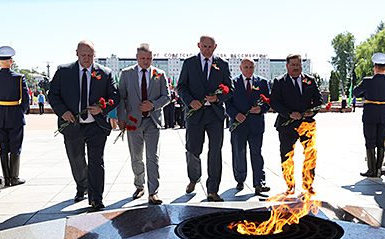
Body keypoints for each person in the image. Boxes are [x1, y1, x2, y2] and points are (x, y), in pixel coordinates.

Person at [48, 40, 120, 211]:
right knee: (76, 159)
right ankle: (82, 186)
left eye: (90, 55)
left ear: (95, 55)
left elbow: (114, 96)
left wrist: (102, 107)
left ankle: (96, 199)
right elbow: (53, 95)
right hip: (72, 125)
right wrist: (63, 111)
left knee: (96, 161)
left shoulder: (105, 73)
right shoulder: (64, 71)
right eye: (83, 55)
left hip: (96, 126)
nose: (87, 59)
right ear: (76, 53)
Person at [177, 34, 233, 202]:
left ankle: (212, 190)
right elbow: (181, 86)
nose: (207, 50)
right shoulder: (189, 63)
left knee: (215, 151)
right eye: (204, 46)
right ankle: (194, 178)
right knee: (193, 149)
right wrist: (190, 101)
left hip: (215, 115)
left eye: (210, 47)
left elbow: (229, 89)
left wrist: (218, 98)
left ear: (215, 47)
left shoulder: (222, 65)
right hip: (195, 113)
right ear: (198, 46)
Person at [116, 43, 170, 205]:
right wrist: (121, 118)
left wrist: (152, 105)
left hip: (152, 122)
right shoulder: (126, 74)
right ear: (137, 57)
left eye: (149, 58)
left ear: (152, 58)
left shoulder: (160, 74)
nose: (146, 61)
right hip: (133, 122)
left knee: (152, 157)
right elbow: (121, 98)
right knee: (136, 157)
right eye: (143, 58)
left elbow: (166, 97)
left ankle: (153, 192)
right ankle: (139, 186)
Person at [270, 54, 323, 194]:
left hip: (307, 125)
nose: (296, 67)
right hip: (287, 126)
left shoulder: (310, 80)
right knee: (287, 156)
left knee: (311, 154)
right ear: (287, 66)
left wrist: (312, 112)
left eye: (298, 65)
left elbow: (319, 100)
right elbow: (274, 102)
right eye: (293, 65)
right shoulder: (279, 82)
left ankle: (308, 184)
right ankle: (290, 185)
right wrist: (289, 114)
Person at [226, 57, 271, 195]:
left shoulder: (262, 82)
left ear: (254, 67)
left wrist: (261, 109)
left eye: (251, 67)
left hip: (256, 124)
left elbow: (268, 101)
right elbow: (227, 104)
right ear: (240, 68)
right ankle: (240, 179)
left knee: (256, 153)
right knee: (239, 153)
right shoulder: (232, 83)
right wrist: (235, 115)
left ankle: (259, 183)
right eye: (246, 67)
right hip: (238, 124)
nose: (248, 70)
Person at [353, 52, 385, 178]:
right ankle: (379, 169)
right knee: (381, 141)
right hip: (384, 113)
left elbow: (356, 92)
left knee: (370, 140)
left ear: (375, 67)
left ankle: (371, 170)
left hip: (370, 114)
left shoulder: (367, 81)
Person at [0, 46, 29, 187]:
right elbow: (26, 100)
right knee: (15, 146)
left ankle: (6, 178)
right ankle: (14, 178)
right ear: (11, 61)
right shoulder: (19, 78)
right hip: (15, 115)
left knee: (3, 146)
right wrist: (19, 111)